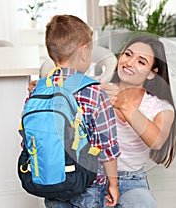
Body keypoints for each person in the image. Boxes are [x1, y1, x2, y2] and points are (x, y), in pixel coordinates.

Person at [33, 15, 120, 208]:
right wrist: (113, 183)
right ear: (82, 52)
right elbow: (106, 146)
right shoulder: (94, 92)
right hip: (87, 185)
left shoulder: (38, 89)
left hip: (51, 180)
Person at [101, 35, 176, 207]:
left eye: (141, 62)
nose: (129, 62)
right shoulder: (99, 90)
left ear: (152, 73)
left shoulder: (161, 108)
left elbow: (157, 141)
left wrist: (123, 102)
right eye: (128, 55)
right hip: (94, 178)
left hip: (131, 182)